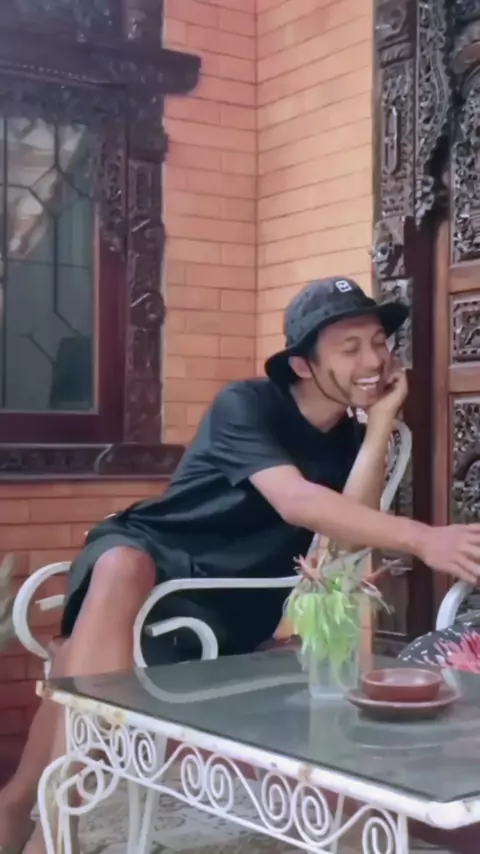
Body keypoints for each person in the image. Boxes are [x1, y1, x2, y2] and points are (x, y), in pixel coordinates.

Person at [4, 276, 480, 854]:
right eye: (350, 348)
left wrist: (378, 425)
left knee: (76, 663)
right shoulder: (247, 404)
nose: (374, 361)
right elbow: (295, 500)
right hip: (155, 558)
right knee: (122, 567)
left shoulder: (351, 438)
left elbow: (345, 535)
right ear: (303, 365)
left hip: (231, 600)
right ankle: (54, 828)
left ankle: (17, 805)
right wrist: (424, 539)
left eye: (379, 342)